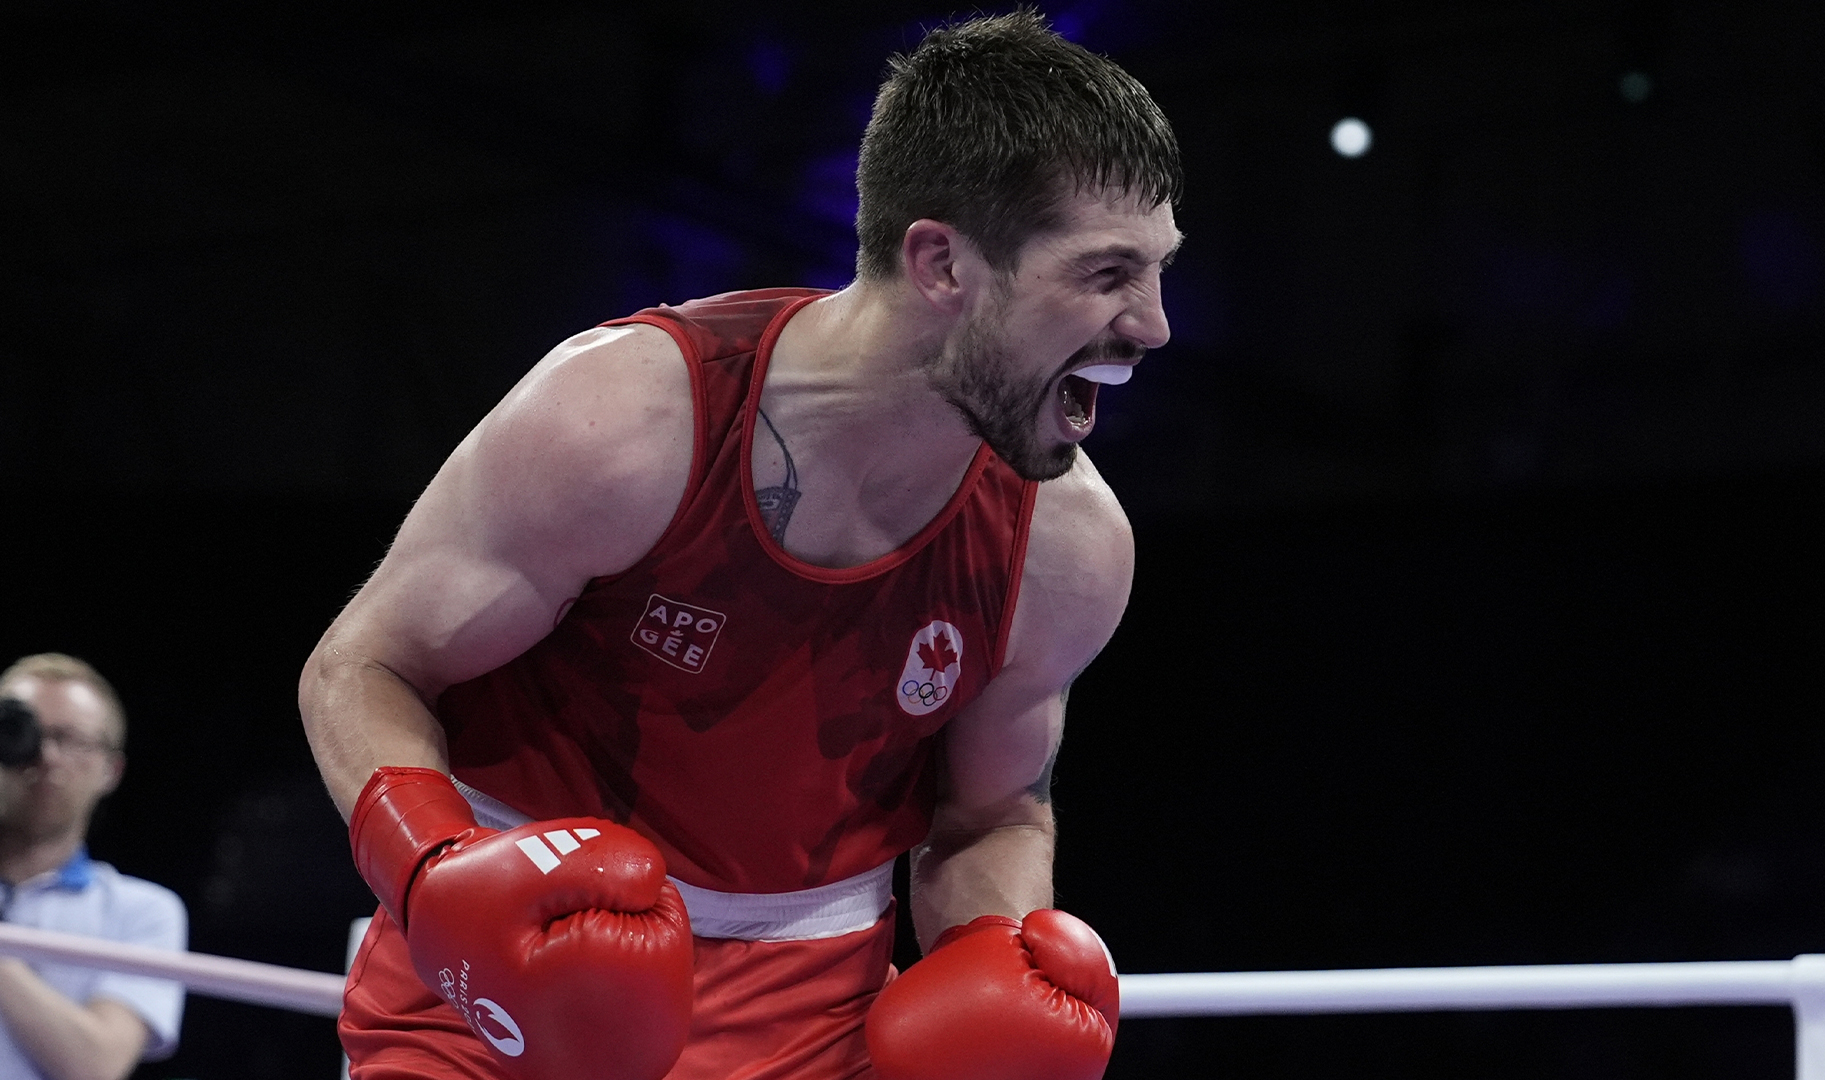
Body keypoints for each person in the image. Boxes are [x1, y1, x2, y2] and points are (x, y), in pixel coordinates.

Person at [301, 11, 1180, 1080]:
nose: (1153, 324)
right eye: (1106, 274)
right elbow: (367, 665)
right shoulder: (630, 417)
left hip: (805, 1021)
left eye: (1158, 270)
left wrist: (987, 960)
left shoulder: (1066, 545)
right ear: (943, 263)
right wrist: (435, 869)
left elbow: (993, 812)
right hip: (506, 978)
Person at [0, 654, 187, 1080]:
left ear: (111, 770)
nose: (44, 756)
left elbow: (96, 1066)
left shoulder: (142, 910)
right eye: (20, 733)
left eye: (70, 739)